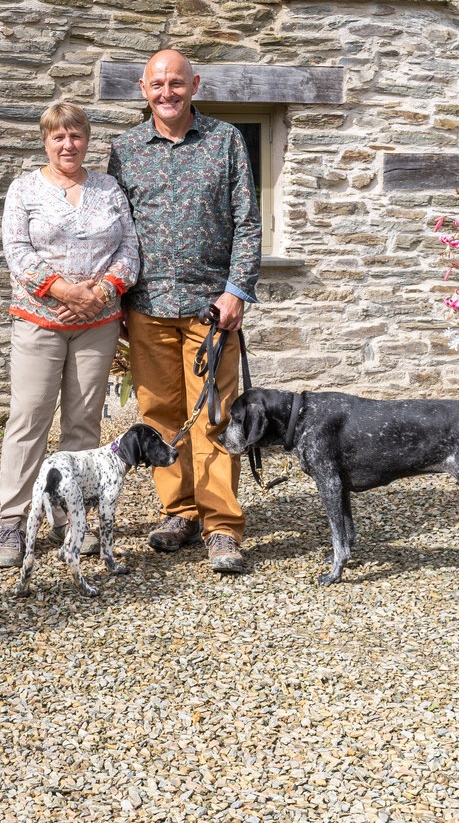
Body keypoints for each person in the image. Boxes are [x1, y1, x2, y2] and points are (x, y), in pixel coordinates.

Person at [107, 49, 262, 574]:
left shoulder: (226, 142)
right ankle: (179, 512)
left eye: (176, 82)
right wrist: (120, 302)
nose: (167, 92)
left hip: (209, 308)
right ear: (143, 89)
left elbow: (247, 223)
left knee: (215, 418)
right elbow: (117, 232)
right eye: (157, 84)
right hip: (147, 308)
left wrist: (237, 291)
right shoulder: (124, 150)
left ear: (194, 84)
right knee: (160, 416)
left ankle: (221, 526)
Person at [0, 100, 140, 567]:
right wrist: (64, 292)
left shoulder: (108, 187)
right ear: (46, 140)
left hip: (96, 324)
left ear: (87, 139)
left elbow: (130, 249)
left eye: (75, 135)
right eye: (58, 136)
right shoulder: (24, 190)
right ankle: (12, 523)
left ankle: (69, 519)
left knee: (83, 425)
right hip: (40, 321)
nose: (67, 144)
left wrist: (101, 292)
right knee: (29, 419)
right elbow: (16, 251)